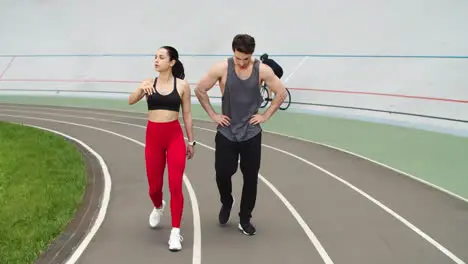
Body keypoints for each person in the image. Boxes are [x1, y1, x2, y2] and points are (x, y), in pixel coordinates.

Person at [194, 34, 287, 236]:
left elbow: (281, 92)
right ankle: (227, 201)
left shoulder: (262, 69)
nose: (242, 63)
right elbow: (200, 89)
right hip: (227, 131)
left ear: (251, 55)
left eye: (246, 59)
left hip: (251, 133)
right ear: (233, 52)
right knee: (223, 172)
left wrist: (265, 115)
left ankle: (245, 218)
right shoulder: (221, 68)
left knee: (250, 177)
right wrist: (213, 114)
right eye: (238, 59)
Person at [128, 45, 195, 251]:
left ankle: (175, 232)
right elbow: (130, 101)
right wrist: (141, 88)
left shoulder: (183, 85)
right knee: (154, 187)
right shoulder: (148, 83)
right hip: (154, 137)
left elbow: (187, 115)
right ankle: (158, 206)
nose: (156, 60)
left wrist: (190, 141)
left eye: (161, 57)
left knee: (175, 185)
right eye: (155, 57)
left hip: (174, 137)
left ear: (172, 62)